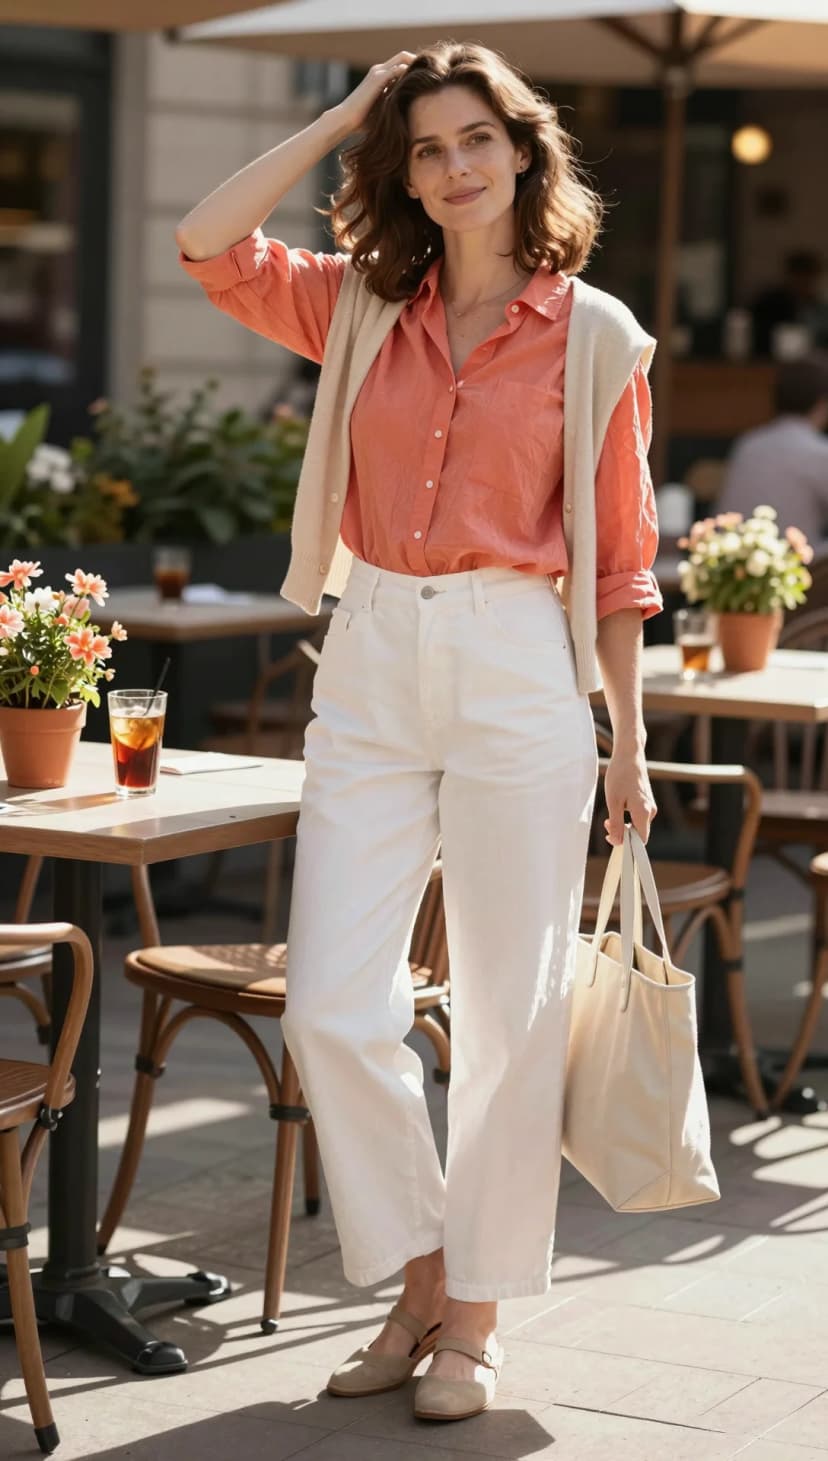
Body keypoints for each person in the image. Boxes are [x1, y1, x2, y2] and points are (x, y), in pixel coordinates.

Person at [176, 41, 661, 1423]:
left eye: (473, 141)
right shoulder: (358, 306)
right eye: (425, 148)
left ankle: (477, 1319)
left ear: (523, 151)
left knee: (511, 1008)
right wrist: (343, 111)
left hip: (519, 653)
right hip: (375, 642)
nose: (450, 170)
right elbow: (205, 240)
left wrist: (626, 739)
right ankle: (421, 1269)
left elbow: (622, 564)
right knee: (335, 1000)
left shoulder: (596, 337)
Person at [718, 354, 828, 552]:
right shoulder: (819, 452)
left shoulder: (748, 444)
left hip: (731, 565)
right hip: (793, 570)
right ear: (822, 403)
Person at [751, 252, 828, 359]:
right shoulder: (770, 303)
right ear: (790, 276)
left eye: (809, 279)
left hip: (812, 361)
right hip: (772, 360)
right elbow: (760, 337)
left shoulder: (817, 306)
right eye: (800, 277)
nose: (804, 284)